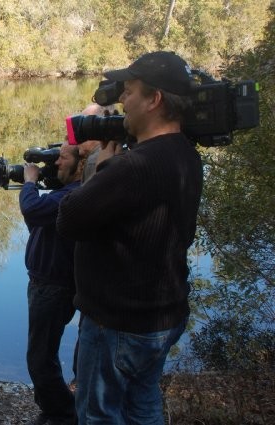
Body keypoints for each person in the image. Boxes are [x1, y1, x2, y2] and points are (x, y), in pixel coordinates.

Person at [56, 51, 203, 424]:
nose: (122, 100)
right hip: (162, 318)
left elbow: (69, 220)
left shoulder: (133, 166)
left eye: (131, 91)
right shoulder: (186, 153)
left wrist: (100, 171)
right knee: (143, 405)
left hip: (119, 323)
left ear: (155, 100)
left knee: (99, 415)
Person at [20, 143, 84, 425]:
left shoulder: (72, 195)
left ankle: (61, 412)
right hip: (44, 284)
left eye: (63, 157)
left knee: (40, 356)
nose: (57, 163)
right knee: (41, 354)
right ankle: (55, 410)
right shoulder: (63, 193)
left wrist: (30, 181)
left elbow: (32, 211)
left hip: (54, 288)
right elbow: (37, 222)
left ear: (81, 165)